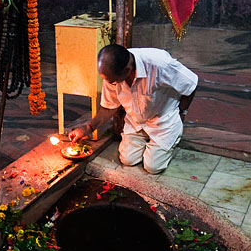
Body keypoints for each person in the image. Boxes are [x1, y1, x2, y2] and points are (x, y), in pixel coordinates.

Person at [69, 44, 198, 175]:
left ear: (126, 71)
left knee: (153, 167)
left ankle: (169, 139)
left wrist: (182, 112)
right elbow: (108, 107)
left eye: (113, 81)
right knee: (128, 160)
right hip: (136, 122)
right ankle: (147, 142)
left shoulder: (160, 64)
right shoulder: (112, 74)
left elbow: (191, 84)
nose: (110, 83)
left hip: (163, 121)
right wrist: (88, 128)